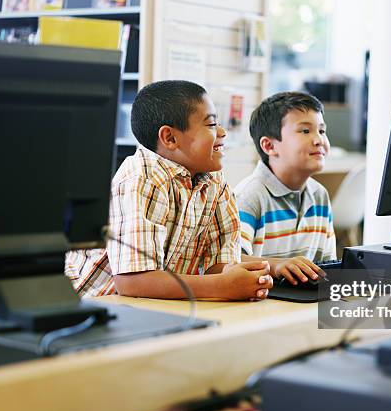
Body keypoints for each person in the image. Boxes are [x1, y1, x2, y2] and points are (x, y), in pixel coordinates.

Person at [66, 80, 273, 300]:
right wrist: (222, 286)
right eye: (211, 125)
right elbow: (133, 282)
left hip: (152, 308)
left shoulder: (214, 180)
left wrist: (247, 277)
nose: (222, 132)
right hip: (91, 303)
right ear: (170, 138)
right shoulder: (144, 177)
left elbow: (218, 263)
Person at [235, 92, 336, 285]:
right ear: (269, 146)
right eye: (305, 131)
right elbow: (230, 260)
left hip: (301, 304)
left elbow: (326, 266)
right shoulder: (250, 196)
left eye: (322, 131)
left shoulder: (319, 196)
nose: (318, 140)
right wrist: (277, 265)